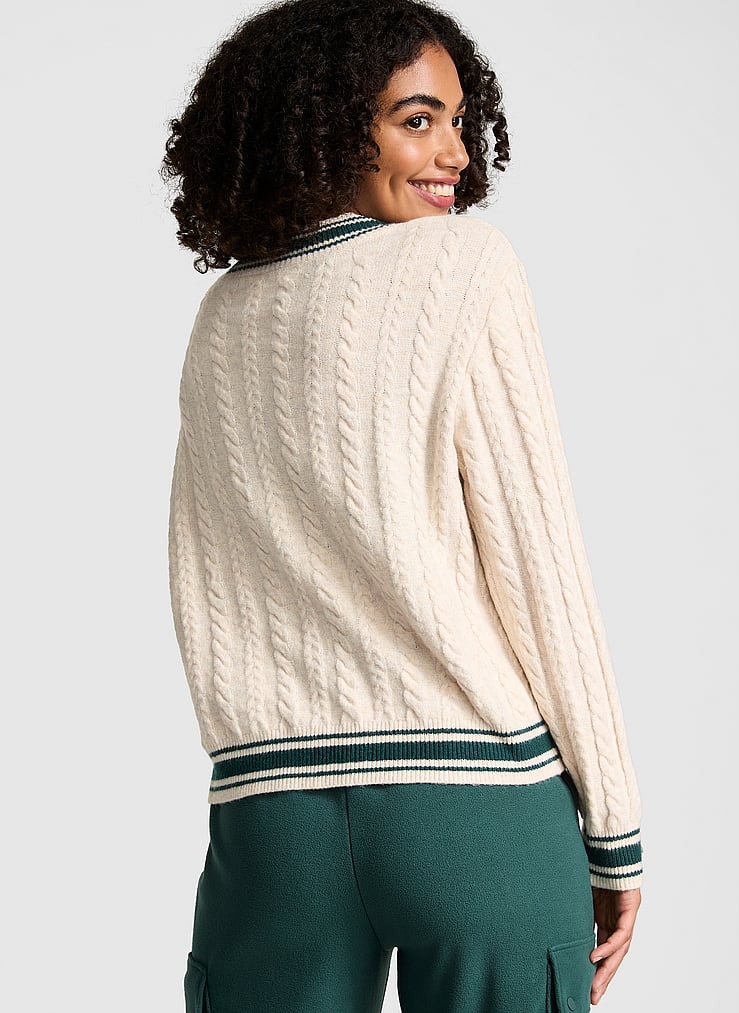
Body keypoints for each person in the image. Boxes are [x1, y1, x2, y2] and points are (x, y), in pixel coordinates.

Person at [160, 1, 644, 1010]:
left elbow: (206, 573)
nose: (456, 153)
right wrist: (614, 829)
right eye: (417, 120)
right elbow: (541, 565)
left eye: (458, 121)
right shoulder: (463, 264)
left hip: (272, 821)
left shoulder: (222, 315)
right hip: (478, 809)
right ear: (329, 124)